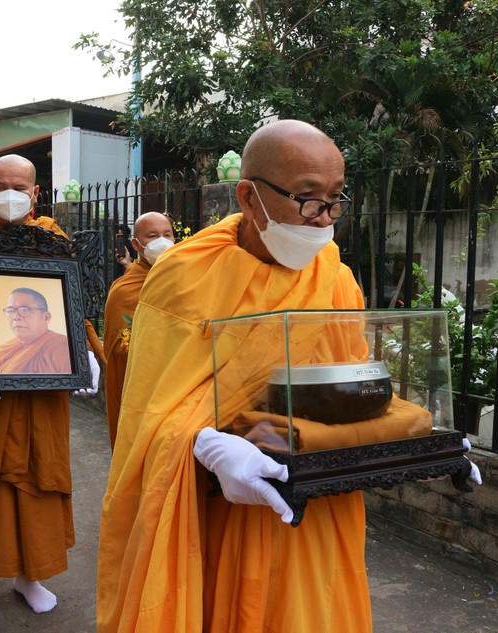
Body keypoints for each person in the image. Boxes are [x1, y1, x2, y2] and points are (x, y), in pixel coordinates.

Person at [97, 120, 378, 632]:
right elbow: (147, 414)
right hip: (220, 510)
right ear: (249, 197)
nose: (324, 220)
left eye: (336, 200)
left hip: (315, 504)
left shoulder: (334, 276)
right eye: (308, 198)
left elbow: (352, 383)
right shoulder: (185, 276)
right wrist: (205, 445)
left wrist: (416, 433)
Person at [0, 154, 101, 614]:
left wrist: (83, 353)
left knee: (42, 476)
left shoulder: (53, 237)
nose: (9, 194)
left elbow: (71, 304)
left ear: (35, 193)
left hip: (43, 391)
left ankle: (31, 575)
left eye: (19, 186)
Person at [102, 211, 174, 448]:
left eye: (167, 235)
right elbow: (121, 347)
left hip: (178, 385)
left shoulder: (184, 278)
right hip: (142, 388)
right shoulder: (126, 290)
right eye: (152, 236)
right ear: (136, 244)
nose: (162, 242)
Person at [0, 287, 71, 374]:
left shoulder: (61, 346)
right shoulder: (4, 352)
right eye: (10, 311)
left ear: (46, 317)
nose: (15, 317)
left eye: (24, 310)